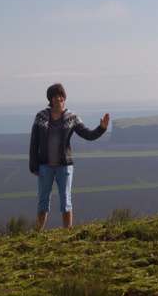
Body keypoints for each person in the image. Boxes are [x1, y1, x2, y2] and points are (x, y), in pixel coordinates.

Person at [29, 83, 110, 231]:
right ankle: (37, 234)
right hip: (45, 166)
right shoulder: (40, 116)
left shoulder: (72, 117)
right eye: (54, 96)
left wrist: (101, 129)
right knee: (42, 202)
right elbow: (34, 142)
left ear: (64, 97)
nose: (58, 98)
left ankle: (67, 234)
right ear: (50, 99)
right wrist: (33, 165)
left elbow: (88, 135)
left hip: (64, 166)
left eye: (60, 95)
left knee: (66, 202)